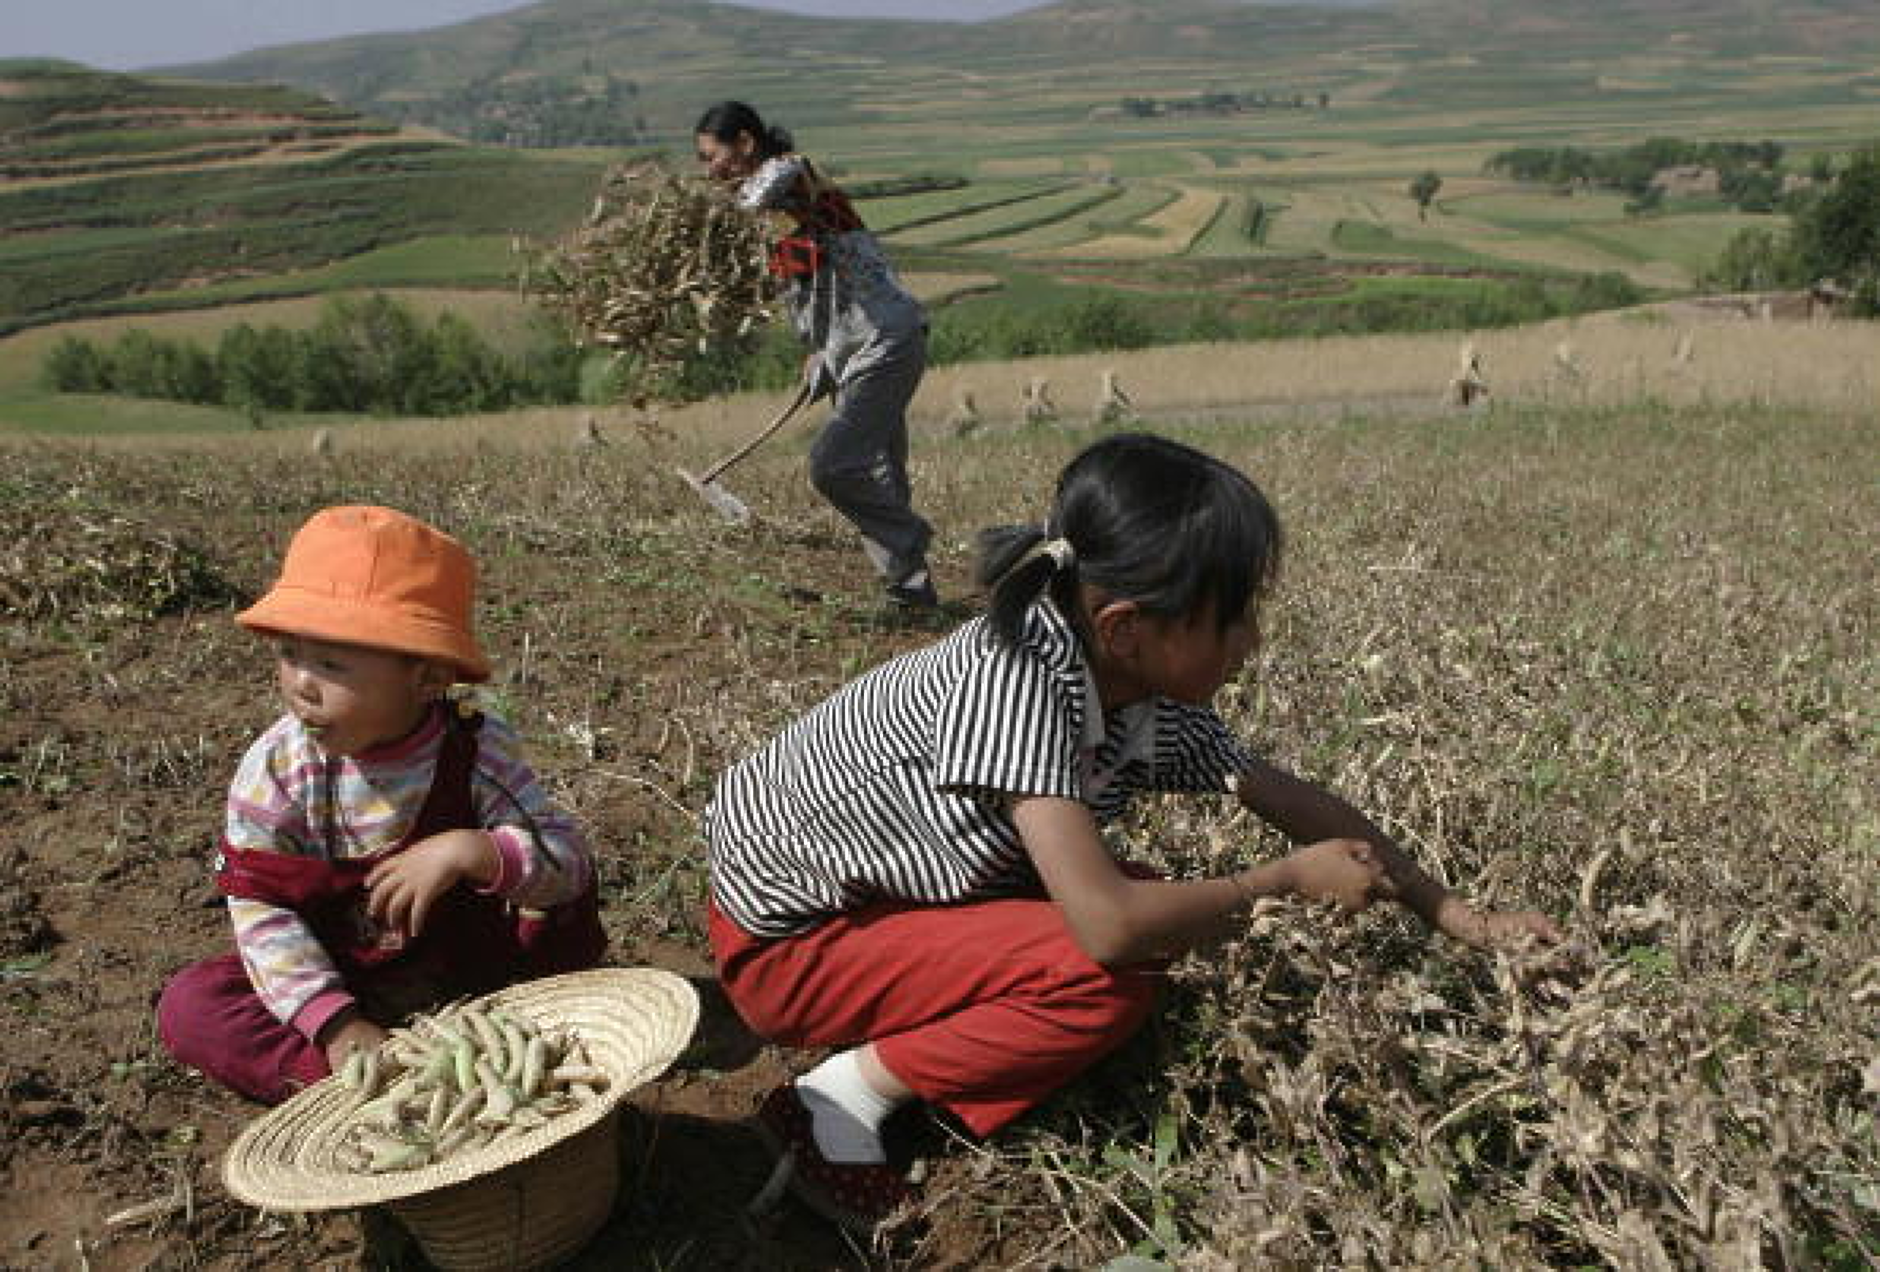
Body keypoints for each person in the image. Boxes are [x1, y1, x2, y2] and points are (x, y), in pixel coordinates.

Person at [703, 432, 1561, 1231]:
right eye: (1231, 619)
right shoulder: (1016, 684)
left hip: (875, 907)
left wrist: (1458, 917)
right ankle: (838, 1099)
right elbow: (1109, 927)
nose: (1252, 643)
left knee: (1153, 903)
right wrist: (1281, 882)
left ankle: (905, 1047)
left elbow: (1291, 798)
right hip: (791, 944)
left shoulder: (1126, 691)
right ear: (1126, 628)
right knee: (1114, 960)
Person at [156, 506, 604, 1104]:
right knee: (194, 1005)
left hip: (467, 968)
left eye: (332, 664)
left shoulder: (474, 749)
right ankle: (372, 1084)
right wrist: (337, 1025)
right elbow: (263, 912)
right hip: (342, 977)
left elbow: (566, 859)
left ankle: (526, 1042)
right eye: (290, 653)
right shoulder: (276, 771)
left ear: (427, 679)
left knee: (563, 905)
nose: (301, 684)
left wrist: (473, 851)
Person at [695, 100, 938, 609]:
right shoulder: (779, 224)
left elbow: (760, 192)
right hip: (851, 348)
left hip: (886, 338)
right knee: (878, 469)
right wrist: (817, 353)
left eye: (713, 156)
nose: (709, 170)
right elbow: (807, 291)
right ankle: (911, 590)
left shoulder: (792, 173)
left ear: (746, 143)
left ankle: (910, 539)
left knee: (833, 465)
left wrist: (710, 215)